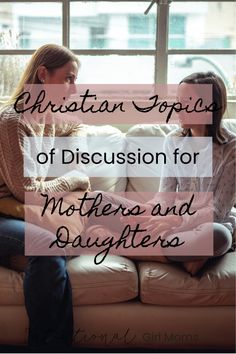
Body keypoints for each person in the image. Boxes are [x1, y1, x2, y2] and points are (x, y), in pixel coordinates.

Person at [85, 71, 236, 275]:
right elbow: (165, 197)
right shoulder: (173, 140)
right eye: (178, 101)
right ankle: (185, 256)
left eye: (187, 102)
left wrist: (175, 221)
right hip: (166, 220)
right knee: (94, 200)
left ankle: (114, 243)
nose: (177, 108)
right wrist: (149, 213)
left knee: (217, 236)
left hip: (204, 225)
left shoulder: (232, 149)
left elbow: (217, 212)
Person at [0, 44, 90, 351]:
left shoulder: (48, 115)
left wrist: (74, 155)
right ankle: (46, 346)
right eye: (68, 78)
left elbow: (77, 124)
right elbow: (26, 192)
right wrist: (75, 177)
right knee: (50, 246)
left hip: (21, 213)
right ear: (43, 75)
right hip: (3, 214)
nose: (74, 88)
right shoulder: (13, 121)